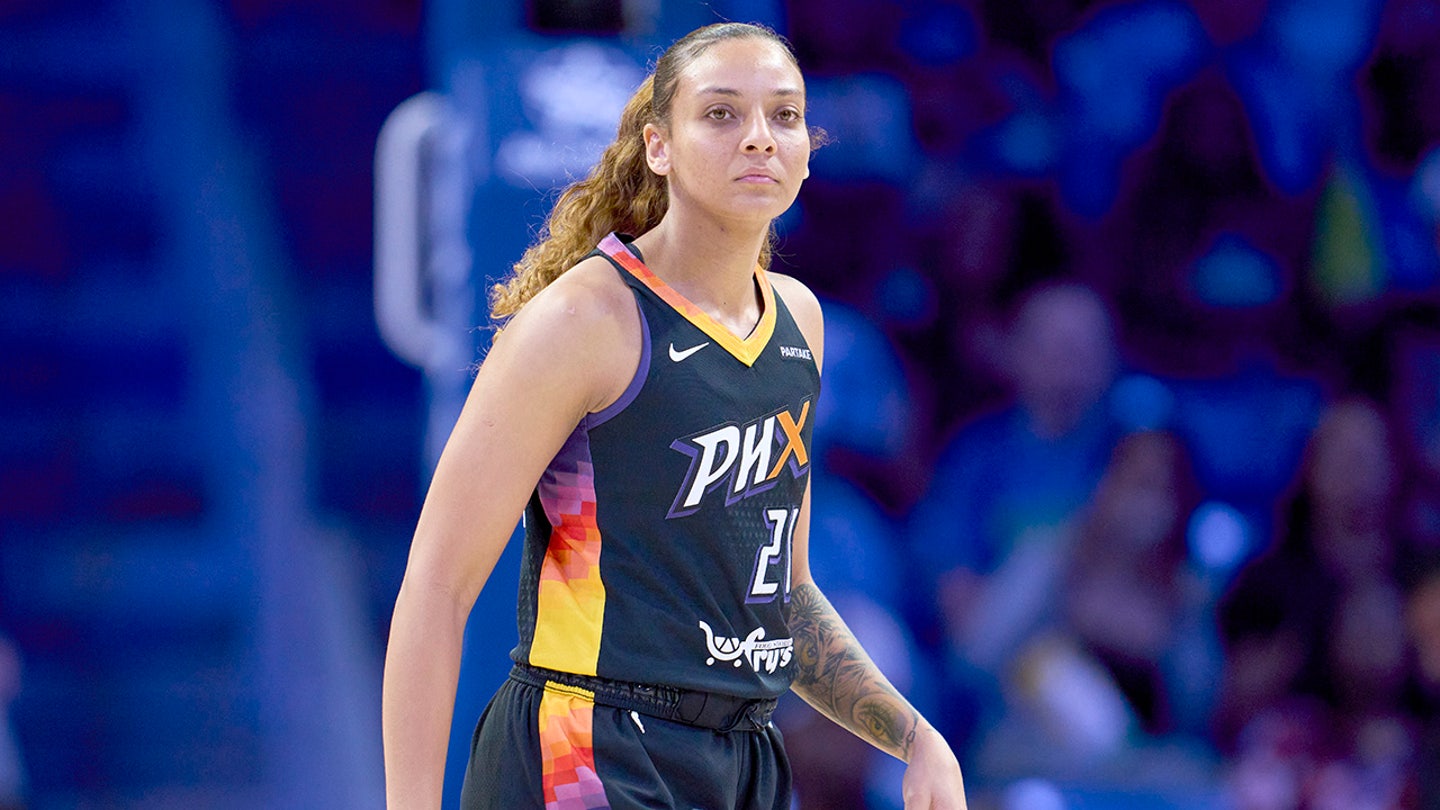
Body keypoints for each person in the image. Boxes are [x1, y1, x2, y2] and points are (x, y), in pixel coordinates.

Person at [381, 21, 967, 810]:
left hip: (743, 753)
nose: (758, 138)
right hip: (589, 745)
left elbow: (786, 600)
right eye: (722, 113)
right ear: (658, 146)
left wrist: (913, 737)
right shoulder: (587, 318)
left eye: (785, 115)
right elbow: (436, 586)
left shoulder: (799, 322)